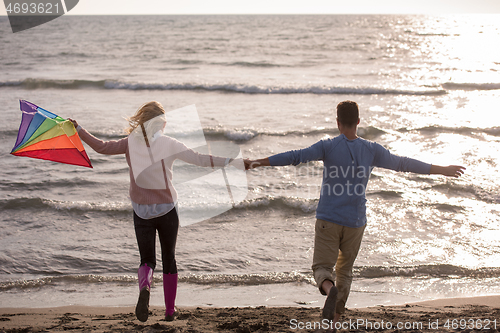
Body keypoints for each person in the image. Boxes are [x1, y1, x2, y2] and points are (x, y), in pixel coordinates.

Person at [244, 100, 465, 326]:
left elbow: (294, 156)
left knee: (322, 268)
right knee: (345, 271)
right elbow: (403, 163)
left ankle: (329, 289)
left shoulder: (328, 146)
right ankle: (335, 320)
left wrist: (256, 163)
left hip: (328, 219)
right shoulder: (372, 150)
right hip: (355, 222)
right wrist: (442, 169)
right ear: (358, 121)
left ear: (338, 122)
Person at [69, 101, 234, 323]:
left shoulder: (130, 142)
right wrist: (230, 161)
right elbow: (200, 159)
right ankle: (169, 311)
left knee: (147, 259)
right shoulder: (168, 143)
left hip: (141, 210)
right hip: (167, 209)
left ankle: (145, 287)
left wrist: (78, 130)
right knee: (169, 258)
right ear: (160, 124)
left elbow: (101, 147)